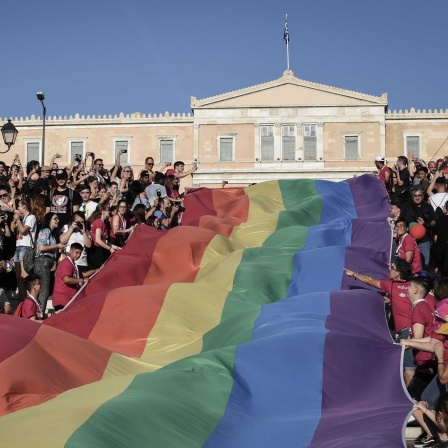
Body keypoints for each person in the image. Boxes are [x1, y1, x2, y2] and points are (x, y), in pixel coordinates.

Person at [345, 258, 415, 385]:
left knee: (408, 368)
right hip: (417, 328)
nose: (390, 270)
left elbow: (370, 281)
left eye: (393, 268)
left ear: (398, 273)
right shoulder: (413, 286)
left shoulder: (392, 285)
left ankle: (410, 397)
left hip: (406, 332)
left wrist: (353, 274)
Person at [33, 213, 65, 313]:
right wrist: (57, 247)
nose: (57, 221)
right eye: (54, 219)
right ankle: (40, 313)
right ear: (49, 220)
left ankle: (37, 311)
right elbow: (41, 248)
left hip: (47, 263)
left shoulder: (52, 234)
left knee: (43, 290)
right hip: (43, 262)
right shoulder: (45, 231)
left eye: (58, 219)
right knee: (44, 291)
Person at [52, 242, 97, 311]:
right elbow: (66, 279)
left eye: (80, 253)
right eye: (76, 253)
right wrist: (81, 280)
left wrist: (94, 271)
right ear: (70, 251)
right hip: (63, 299)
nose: (78, 255)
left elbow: (82, 274)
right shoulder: (66, 263)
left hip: (68, 299)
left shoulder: (73, 264)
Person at [400, 188, 436, 268]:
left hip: (424, 239)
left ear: (423, 196)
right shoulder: (406, 206)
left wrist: (426, 223)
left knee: (425, 262)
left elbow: (434, 221)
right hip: (410, 239)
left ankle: (423, 278)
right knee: (408, 262)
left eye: (419, 195)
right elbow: (401, 221)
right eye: (415, 196)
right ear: (412, 196)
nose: (417, 198)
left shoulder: (428, 207)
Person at [10, 198, 37, 300]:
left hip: (26, 248)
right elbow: (13, 230)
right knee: (18, 276)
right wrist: (15, 220)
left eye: (19, 206)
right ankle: (22, 299)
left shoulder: (31, 217)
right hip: (18, 247)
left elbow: (23, 230)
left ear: (24, 206)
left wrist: (18, 220)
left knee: (24, 275)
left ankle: (27, 299)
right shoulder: (23, 218)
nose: (18, 208)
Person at [88, 204, 121, 269]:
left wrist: (117, 248)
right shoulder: (99, 222)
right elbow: (98, 240)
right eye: (108, 210)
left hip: (100, 248)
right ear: (103, 211)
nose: (110, 212)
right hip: (96, 250)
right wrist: (110, 249)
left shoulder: (103, 222)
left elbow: (104, 241)